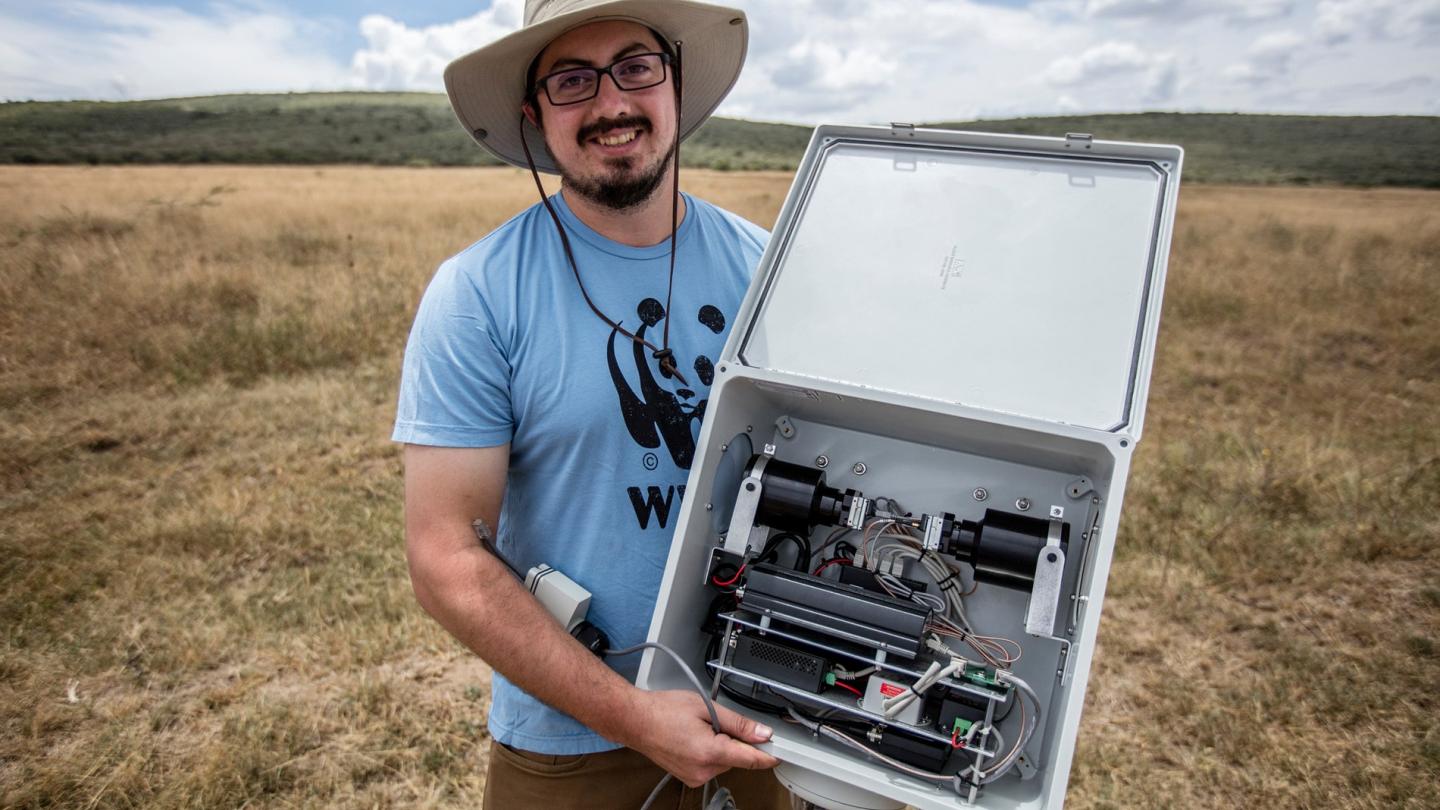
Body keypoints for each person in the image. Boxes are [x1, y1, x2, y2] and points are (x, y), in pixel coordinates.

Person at [392, 1, 791, 807]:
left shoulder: (770, 270)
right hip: (575, 743)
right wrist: (634, 716)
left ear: (675, 84)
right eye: (573, 81)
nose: (612, 103)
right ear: (533, 116)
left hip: (764, 715)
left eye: (636, 68)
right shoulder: (478, 294)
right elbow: (445, 558)